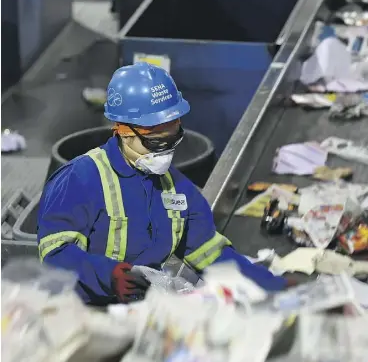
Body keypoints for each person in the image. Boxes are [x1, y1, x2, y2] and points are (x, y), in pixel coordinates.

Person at [37, 63, 292, 304]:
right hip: (83, 311)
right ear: (123, 130)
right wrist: (109, 275)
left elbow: (210, 252)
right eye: (157, 142)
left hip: (141, 309)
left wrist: (273, 286)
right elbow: (55, 252)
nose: (166, 151)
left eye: (173, 138)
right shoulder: (80, 178)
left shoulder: (177, 189)